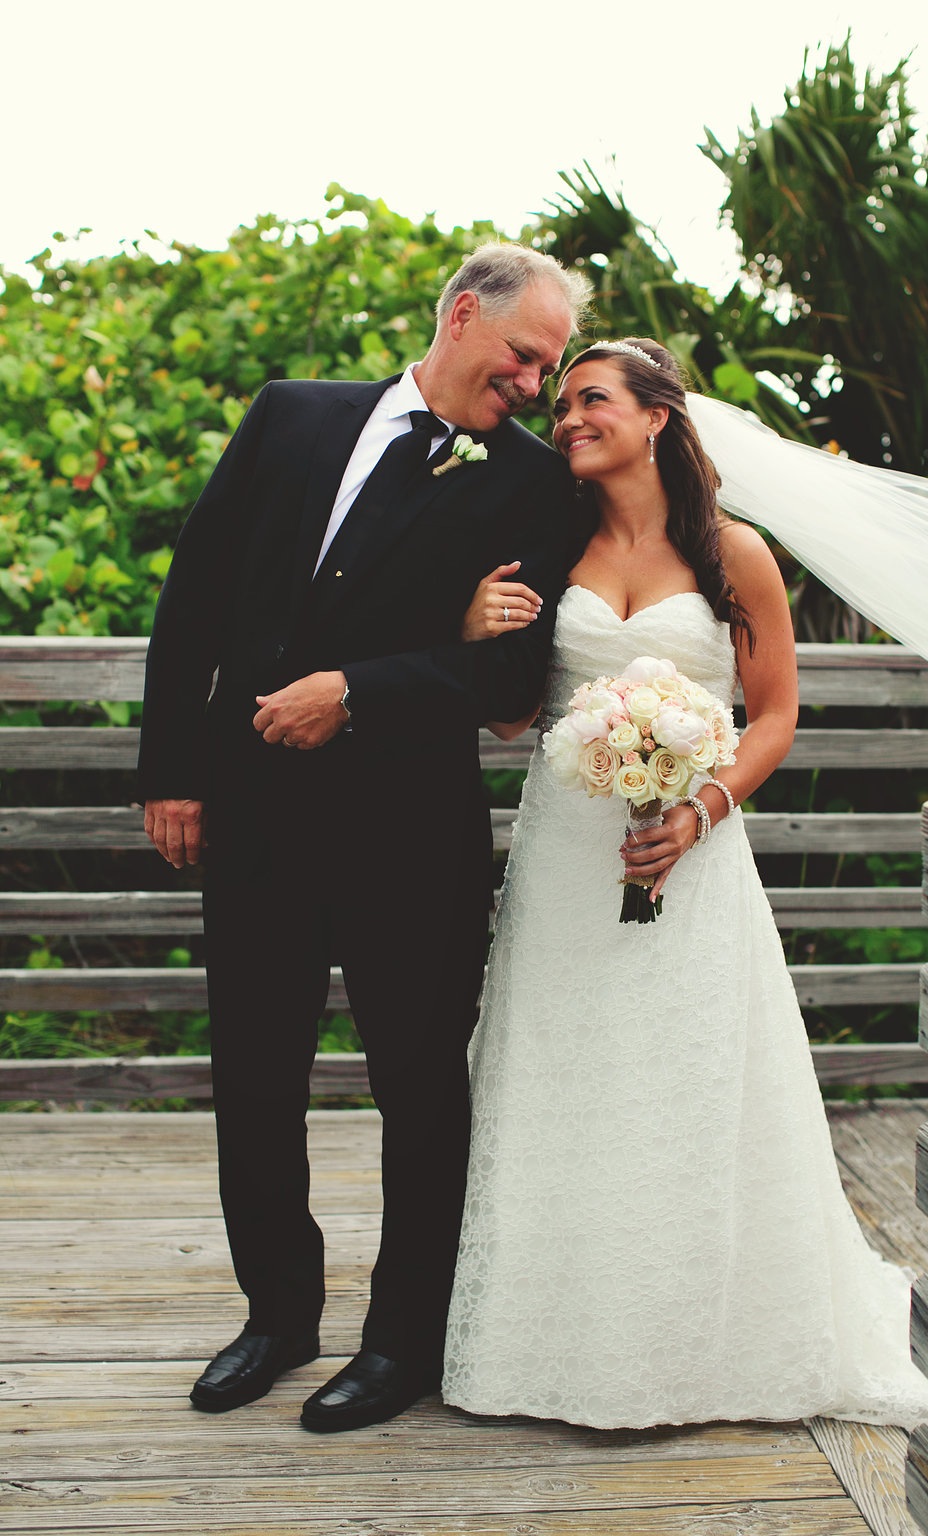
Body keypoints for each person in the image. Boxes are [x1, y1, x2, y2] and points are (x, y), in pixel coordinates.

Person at [137, 243, 591, 1432]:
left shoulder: (538, 485)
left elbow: (509, 670)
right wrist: (172, 771)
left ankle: (402, 1346)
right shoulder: (291, 418)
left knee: (419, 1089)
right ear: (458, 317)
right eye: (524, 356)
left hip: (412, 833)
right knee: (254, 1075)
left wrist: (363, 689)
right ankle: (277, 1316)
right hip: (251, 817)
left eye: (549, 368)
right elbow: (193, 596)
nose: (536, 384)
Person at [441, 337, 928, 1429]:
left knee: (683, 1073)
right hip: (566, 853)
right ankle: (547, 1332)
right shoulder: (550, 543)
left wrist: (699, 810)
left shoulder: (734, 554)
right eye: (561, 404)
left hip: (690, 851)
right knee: (561, 1070)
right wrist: (476, 632)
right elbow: (517, 716)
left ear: (657, 415)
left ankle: (691, 1338)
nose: (566, 418)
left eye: (590, 400)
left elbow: (774, 713)